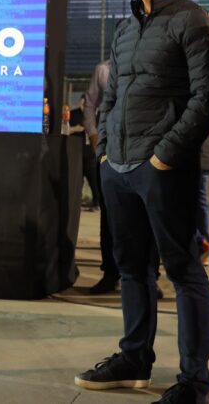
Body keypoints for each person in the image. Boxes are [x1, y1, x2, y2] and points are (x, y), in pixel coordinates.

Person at [74, 0, 209, 404]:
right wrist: (103, 154)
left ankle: (194, 381)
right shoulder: (125, 27)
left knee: (183, 273)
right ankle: (134, 359)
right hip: (117, 166)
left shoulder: (196, 23)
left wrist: (164, 155)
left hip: (162, 169)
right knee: (132, 268)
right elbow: (112, 96)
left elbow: (207, 101)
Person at [83, 59, 120, 294]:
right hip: (108, 151)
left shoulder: (149, 61)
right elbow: (89, 105)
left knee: (143, 218)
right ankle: (110, 272)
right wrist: (94, 137)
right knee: (108, 217)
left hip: (141, 151)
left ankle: (146, 275)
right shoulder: (103, 70)